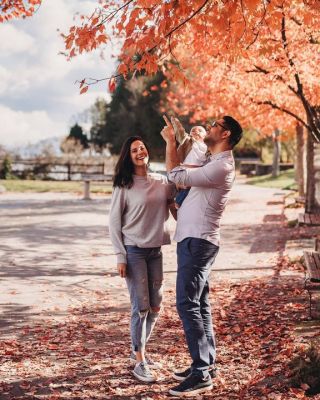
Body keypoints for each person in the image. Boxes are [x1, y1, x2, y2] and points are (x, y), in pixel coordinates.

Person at [160, 116, 243, 397]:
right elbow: (189, 163)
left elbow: (177, 176)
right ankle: (207, 364)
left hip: (198, 241)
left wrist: (171, 142)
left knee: (187, 303)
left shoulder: (221, 166)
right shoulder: (211, 159)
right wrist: (186, 138)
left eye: (215, 124)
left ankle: (201, 373)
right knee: (200, 303)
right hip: (194, 239)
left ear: (226, 133)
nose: (209, 126)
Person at [109, 135, 176, 383]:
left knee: (156, 306)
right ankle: (139, 361)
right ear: (128, 155)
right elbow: (114, 223)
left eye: (143, 148)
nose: (140, 152)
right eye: (135, 150)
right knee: (141, 307)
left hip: (155, 251)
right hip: (134, 250)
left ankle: (138, 350)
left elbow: (176, 205)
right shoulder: (123, 185)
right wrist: (120, 256)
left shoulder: (161, 181)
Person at [164, 115, 207, 208]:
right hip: (185, 169)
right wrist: (177, 124)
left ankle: (179, 203)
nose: (196, 131)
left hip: (198, 172)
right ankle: (177, 203)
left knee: (192, 190)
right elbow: (181, 133)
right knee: (183, 187)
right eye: (193, 130)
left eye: (200, 130)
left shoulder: (208, 146)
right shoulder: (188, 141)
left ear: (205, 135)